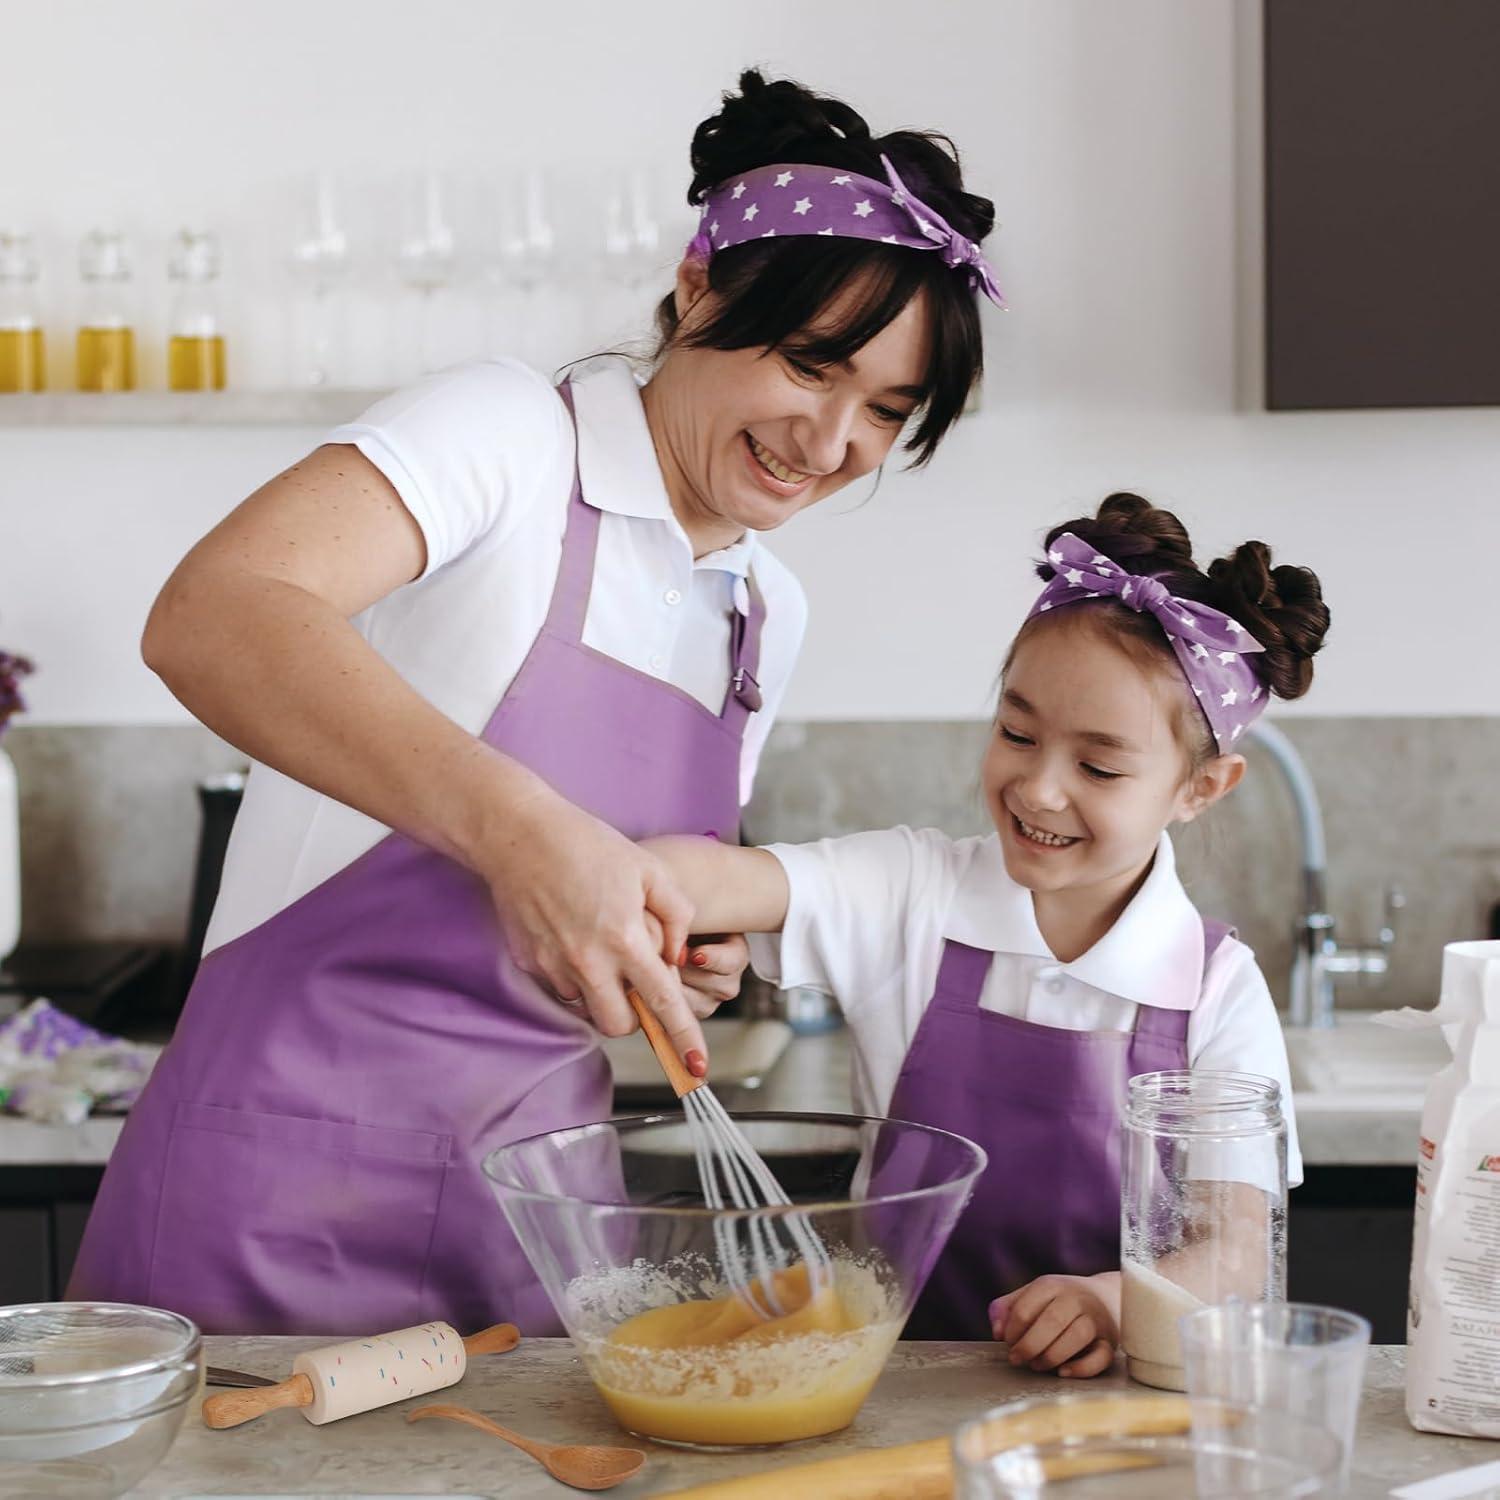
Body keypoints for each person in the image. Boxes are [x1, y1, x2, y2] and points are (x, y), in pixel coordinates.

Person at [66, 70, 1002, 1336]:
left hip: (534, 1232)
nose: (832, 441)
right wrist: (526, 834)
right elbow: (213, 613)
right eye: (807, 364)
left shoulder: (763, 612)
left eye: (886, 411)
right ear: (698, 288)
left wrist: (674, 947)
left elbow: (599, 905)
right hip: (269, 1204)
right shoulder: (509, 438)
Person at [644, 491, 1329, 1368]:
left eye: (1098, 766)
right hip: (892, 1384)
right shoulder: (914, 892)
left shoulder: (1216, 992)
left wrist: (1111, 1303)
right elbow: (711, 881)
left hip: (1116, 1403)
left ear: (1200, 789)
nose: (1038, 789)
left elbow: (1237, 1253)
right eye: (1016, 732)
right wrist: (650, 903)